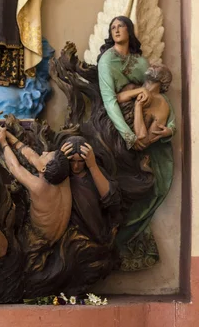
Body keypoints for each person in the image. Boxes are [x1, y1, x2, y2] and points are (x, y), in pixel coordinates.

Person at [97, 16, 176, 270]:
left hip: (143, 121)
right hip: (114, 122)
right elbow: (110, 100)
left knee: (155, 183)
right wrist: (127, 134)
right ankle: (109, 237)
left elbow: (159, 97)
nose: (116, 30)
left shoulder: (141, 62)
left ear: (130, 31)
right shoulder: (107, 60)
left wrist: (170, 129)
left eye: (121, 26)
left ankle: (129, 239)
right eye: (113, 27)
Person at [0, 125, 71, 245]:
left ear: (44, 168)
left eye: (46, 155)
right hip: (60, 236)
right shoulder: (61, 173)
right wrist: (8, 135)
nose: (43, 152)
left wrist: (3, 143)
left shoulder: (39, 187)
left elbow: (15, 167)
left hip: (39, 239)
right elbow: (34, 158)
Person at [60, 136, 121, 244]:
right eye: (71, 161)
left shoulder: (95, 173)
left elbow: (112, 200)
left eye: (81, 161)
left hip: (97, 230)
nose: (75, 166)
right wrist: (60, 164)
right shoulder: (63, 178)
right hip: (73, 235)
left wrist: (92, 166)